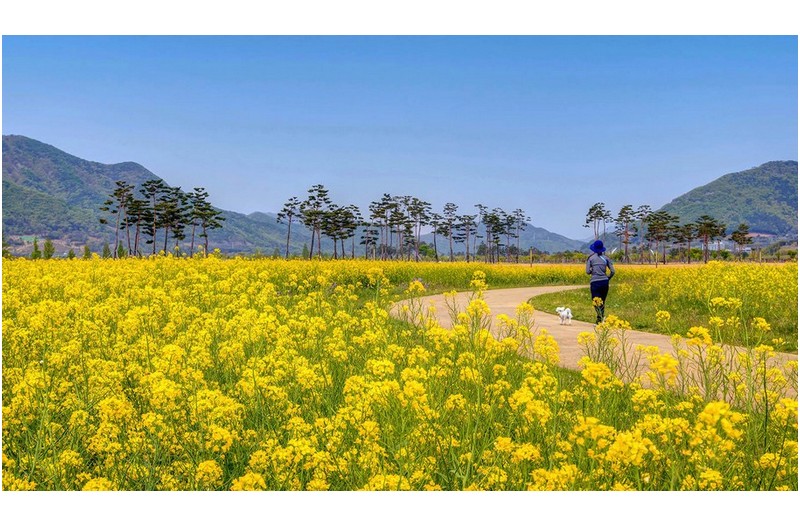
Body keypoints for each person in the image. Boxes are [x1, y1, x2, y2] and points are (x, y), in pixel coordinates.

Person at [586, 240, 615, 324]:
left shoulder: (590, 258)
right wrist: (607, 278)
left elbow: (587, 271)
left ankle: (600, 318)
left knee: (595, 301)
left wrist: (593, 271)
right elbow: (613, 271)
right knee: (602, 301)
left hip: (595, 282)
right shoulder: (606, 258)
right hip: (604, 282)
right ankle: (601, 318)